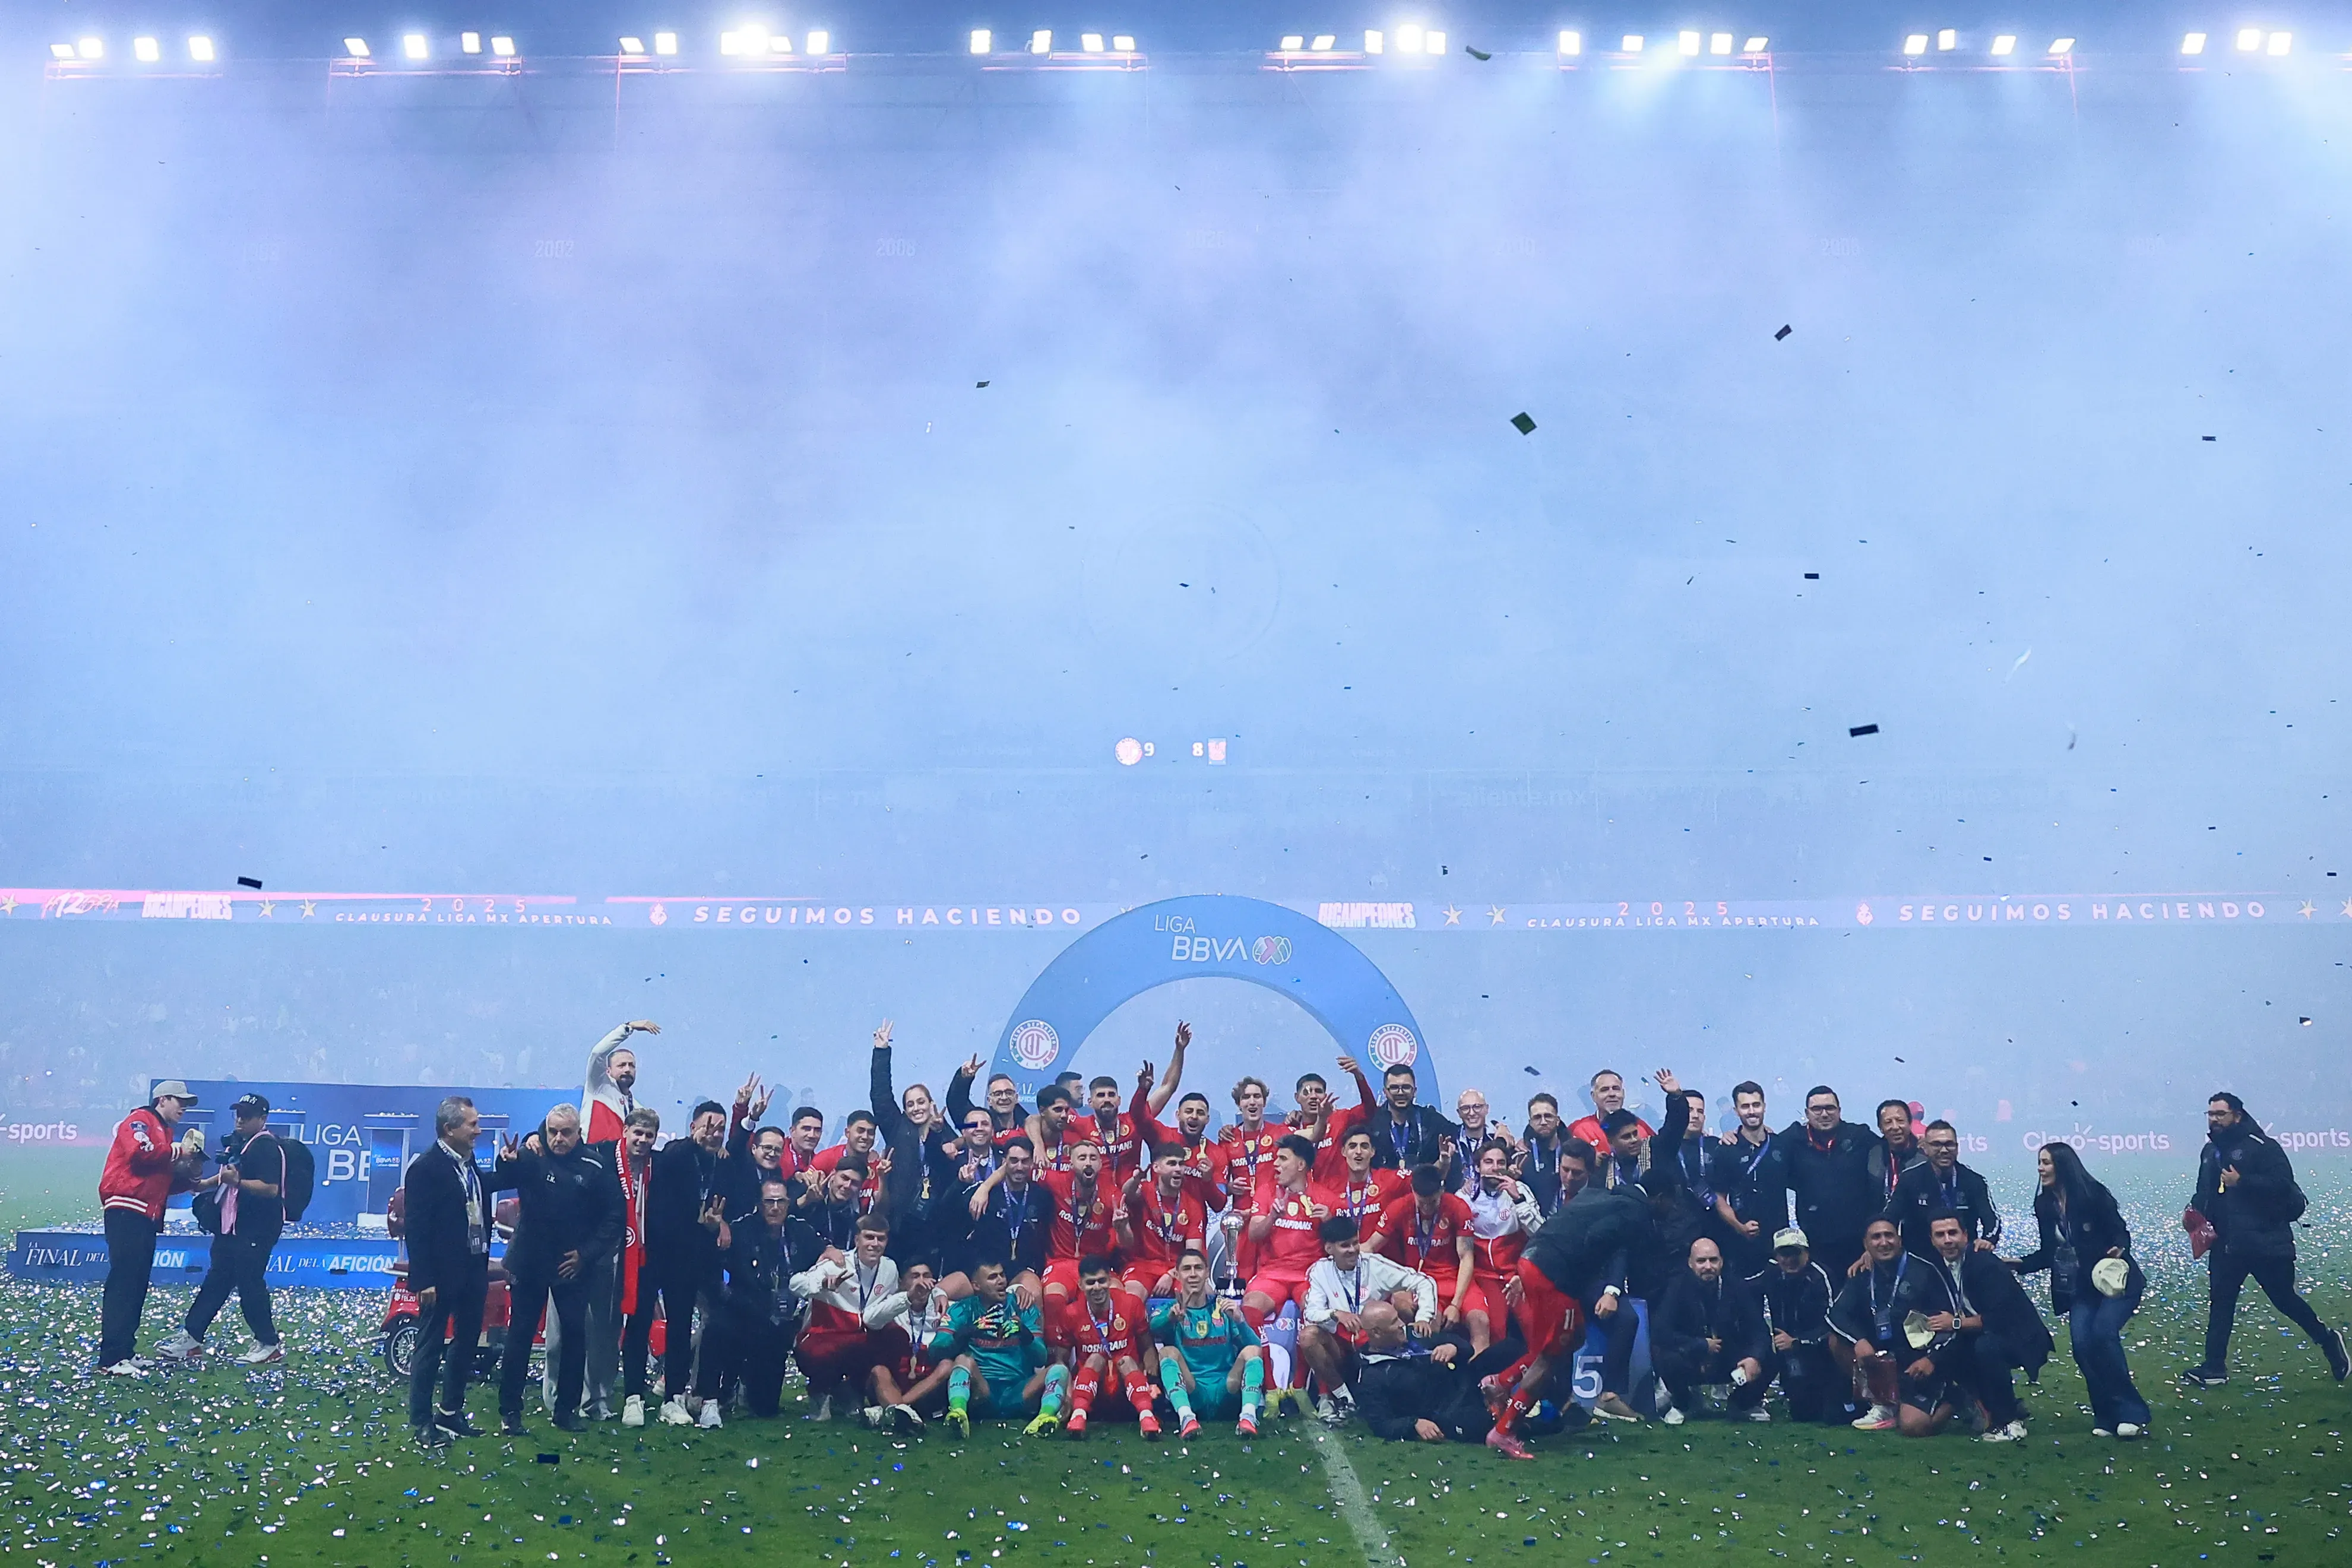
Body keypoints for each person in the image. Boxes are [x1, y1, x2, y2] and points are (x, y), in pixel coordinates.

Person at [1484, 1136, 1642, 1457]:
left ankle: (1501, 1383)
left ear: (1588, 1174)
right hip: (1553, 1274)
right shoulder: (1550, 1189)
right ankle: (1502, 1428)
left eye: (1577, 1173)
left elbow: (1597, 1247)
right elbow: (1564, 1237)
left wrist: (1612, 1289)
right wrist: (1524, 1272)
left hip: (1560, 1273)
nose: (1569, 1178)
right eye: (1565, 1171)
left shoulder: (1596, 1197)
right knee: (1550, 1354)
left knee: (1571, 1339)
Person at [2182, 1092, 2349, 1385]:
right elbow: (2204, 1191)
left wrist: (2242, 1183)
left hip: (2265, 1242)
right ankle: (2214, 1368)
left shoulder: (2263, 1147)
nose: (2214, 1120)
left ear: (2237, 1115)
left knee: (2284, 1300)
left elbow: (2284, 1187)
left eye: (2220, 1114)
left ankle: (2328, 1340)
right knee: (2221, 1303)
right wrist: (2194, 1215)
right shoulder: (2210, 1152)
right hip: (2226, 1243)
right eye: (2210, 1114)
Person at [491, 1104, 621, 1436]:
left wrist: (586, 1255)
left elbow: (614, 1219)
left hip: (571, 1263)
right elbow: (502, 1180)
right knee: (520, 1336)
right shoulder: (531, 1154)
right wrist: (505, 1160)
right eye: (552, 1132)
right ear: (544, 1130)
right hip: (530, 1260)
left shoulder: (596, 1165)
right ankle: (510, 1412)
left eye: (566, 1132)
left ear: (579, 1133)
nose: (558, 1139)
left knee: (576, 1336)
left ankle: (566, 1411)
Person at [2008, 1141, 2150, 1437]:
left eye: (2046, 1162)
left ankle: (2132, 1413)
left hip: (2115, 1284)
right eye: (2039, 1162)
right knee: (2083, 1346)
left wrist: (2119, 1248)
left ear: (2063, 1165)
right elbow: (2050, 1252)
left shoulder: (2092, 1194)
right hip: (2080, 1289)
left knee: (2103, 1334)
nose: (2040, 1168)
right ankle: (2106, 1418)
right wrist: (2018, 1264)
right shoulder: (2044, 1204)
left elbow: (2120, 1232)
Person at [401, 1096, 514, 1447]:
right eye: (472, 1124)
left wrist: (506, 1165)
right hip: (440, 1274)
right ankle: (421, 1420)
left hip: (473, 1267)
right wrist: (424, 1280)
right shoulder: (426, 1168)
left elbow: (485, 1188)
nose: (478, 1130)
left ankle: (450, 1413)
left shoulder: (468, 1163)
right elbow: (417, 1230)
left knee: (465, 1343)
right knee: (430, 1344)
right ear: (449, 1129)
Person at [160, 1092, 288, 1367]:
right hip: (231, 1228)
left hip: (255, 1230)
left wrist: (237, 1181)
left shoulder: (265, 1147)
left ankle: (269, 1343)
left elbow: (271, 1189)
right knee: (216, 1283)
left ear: (263, 1119)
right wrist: (205, 1184)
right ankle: (192, 1337)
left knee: (250, 1285)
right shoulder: (243, 1144)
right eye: (238, 1113)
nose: (240, 1119)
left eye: (248, 1115)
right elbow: (229, 1177)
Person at [632, 1099, 730, 1426]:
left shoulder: (718, 1163)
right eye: (708, 1127)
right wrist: (701, 1140)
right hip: (653, 1253)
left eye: (721, 1129)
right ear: (692, 1127)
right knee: (638, 1322)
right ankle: (633, 1395)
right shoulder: (677, 1153)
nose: (715, 1134)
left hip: (689, 1257)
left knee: (680, 1327)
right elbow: (679, 1151)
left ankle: (673, 1396)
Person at [96, 1080, 204, 1375]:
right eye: (179, 1101)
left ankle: (124, 1353)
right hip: (126, 1209)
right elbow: (141, 1154)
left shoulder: (164, 1132)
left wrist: (190, 1175)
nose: (184, 1108)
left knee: (135, 1285)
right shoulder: (140, 1120)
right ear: (162, 1100)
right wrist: (177, 1152)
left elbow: (161, 1182)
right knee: (124, 1284)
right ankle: (111, 1358)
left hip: (145, 1213)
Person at [1923, 1211, 2051, 1443]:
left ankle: (2009, 1422)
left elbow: (2000, 1318)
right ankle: (1984, 1405)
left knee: (1985, 1346)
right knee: (1945, 1351)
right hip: (1980, 1332)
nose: (1948, 1240)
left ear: (1966, 1236)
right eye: (1940, 1235)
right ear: (1932, 1241)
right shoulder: (1938, 1268)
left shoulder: (1984, 1264)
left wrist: (1955, 1323)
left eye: (1953, 1233)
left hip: (2021, 1337)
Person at [1299, 1215, 1438, 1424]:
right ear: (1329, 1249)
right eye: (1345, 1246)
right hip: (1342, 1345)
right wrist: (1336, 1314)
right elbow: (1311, 1312)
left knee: (1397, 1319)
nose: (1353, 1250)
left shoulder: (1374, 1264)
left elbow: (1423, 1281)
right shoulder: (1320, 1271)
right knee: (1308, 1337)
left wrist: (1424, 1316)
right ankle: (1344, 1399)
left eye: (1355, 1243)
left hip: (1374, 1344)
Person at [1828, 1216, 1956, 1434]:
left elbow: (1950, 1325)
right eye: (1876, 1237)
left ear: (1900, 1240)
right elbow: (1836, 1314)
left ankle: (1957, 1398)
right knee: (1836, 1341)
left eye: (1889, 1236)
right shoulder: (1862, 1273)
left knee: (1913, 1427)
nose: (1884, 1242)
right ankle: (1883, 1403)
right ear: (1866, 1245)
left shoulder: (1924, 1272)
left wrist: (1932, 1359)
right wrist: (1859, 1340)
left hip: (1918, 1361)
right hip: (1883, 1358)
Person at [1351, 1298, 1526, 1444]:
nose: (1401, 1325)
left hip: (1468, 1379)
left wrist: (1453, 1348)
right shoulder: (1371, 1376)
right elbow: (1380, 1423)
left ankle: (1544, 1393)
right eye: (1393, 1323)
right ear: (1376, 1333)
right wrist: (1414, 1424)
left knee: (1511, 1348)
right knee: (1481, 1426)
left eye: (1398, 1318)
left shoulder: (1414, 1333)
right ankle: (1539, 1421)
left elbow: (1467, 1349)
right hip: (1448, 1412)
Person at [790, 1212, 910, 1425]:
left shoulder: (890, 1268)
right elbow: (796, 1284)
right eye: (869, 1237)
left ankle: (853, 1391)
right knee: (827, 1350)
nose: (874, 1244)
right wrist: (821, 1286)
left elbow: (881, 1314)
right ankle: (819, 1390)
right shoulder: (837, 1264)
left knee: (896, 1336)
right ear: (857, 1240)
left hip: (861, 1337)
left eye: (880, 1239)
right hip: (824, 1336)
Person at [927, 1257, 1068, 1437]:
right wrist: (967, 1332)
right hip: (982, 1392)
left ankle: (1045, 1419)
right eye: (993, 1277)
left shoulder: (1022, 1307)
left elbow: (1040, 1358)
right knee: (963, 1360)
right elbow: (935, 1352)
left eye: (1002, 1275)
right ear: (976, 1286)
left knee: (1059, 1369)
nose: (1001, 1281)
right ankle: (958, 1414)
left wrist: (1024, 1335)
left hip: (1019, 1390)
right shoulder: (962, 1310)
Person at [705, 1177, 806, 1418]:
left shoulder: (798, 1230)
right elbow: (711, 1262)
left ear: (788, 1204)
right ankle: (709, 1397)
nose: (775, 1208)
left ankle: (747, 1386)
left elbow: (824, 1248)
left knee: (766, 1409)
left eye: (780, 1202)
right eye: (769, 1202)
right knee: (716, 1328)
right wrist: (714, 1230)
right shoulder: (742, 1230)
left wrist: (829, 1252)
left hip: (776, 1325)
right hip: (742, 1314)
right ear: (759, 1205)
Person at [1652, 1237, 1769, 1424]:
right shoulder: (1676, 1287)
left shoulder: (1738, 1287)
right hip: (1692, 1356)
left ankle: (1742, 1404)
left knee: (1770, 1355)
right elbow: (1661, 1331)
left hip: (1729, 1356)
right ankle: (1684, 1404)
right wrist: (1700, 1345)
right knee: (1663, 1355)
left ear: (1721, 1262)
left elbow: (1759, 1330)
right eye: (1701, 1261)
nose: (1708, 1266)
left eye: (1713, 1260)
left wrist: (1753, 1357)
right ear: (1690, 1264)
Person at [1368, 1164, 1487, 1350]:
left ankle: (1480, 1375)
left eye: (1432, 1202)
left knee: (1481, 1322)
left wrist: (1456, 1305)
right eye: (1421, 1203)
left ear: (1442, 1190)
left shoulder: (1457, 1207)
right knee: (1429, 1325)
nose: (1427, 1208)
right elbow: (1370, 1246)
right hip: (1421, 1279)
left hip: (1456, 1277)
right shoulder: (1400, 1207)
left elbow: (1466, 1257)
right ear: (1413, 1191)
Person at [1151, 1249, 1268, 1437]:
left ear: (1207, 1273)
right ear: (1177, 1274)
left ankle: (1247, 1418)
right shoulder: (1172, 1309)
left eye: (1198, 1268)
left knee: (1252, 1351)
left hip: (1226, 1389)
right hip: (1193, 1390)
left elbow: (1256, 1347)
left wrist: (1240, 1320)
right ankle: (1187, 1419)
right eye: (1187, 1269)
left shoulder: (1224, 1307)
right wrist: (1170, 1319)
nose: (1193, 1274)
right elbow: (1152, 1328)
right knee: (1167, 1352)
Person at [1053, 1254, 1164, 1437]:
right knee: (1096, 1358)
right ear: (1081, 1285)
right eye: (1090, 1283)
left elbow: (1148, 1348)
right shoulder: (1070, 1313)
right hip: (1092, 1392)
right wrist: (1067, 1394)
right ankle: (1078, 1416)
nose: (1097, 1288)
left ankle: (1147, 1417)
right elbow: (1061, 1361)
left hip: (1129, 1390)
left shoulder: (1131, 1304)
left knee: (1126, 1360)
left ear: (1110, 1280)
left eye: (1102, 1281)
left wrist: (1152, 1382)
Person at [1783, 1087, 1879, 1282]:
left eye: (1830, 1108)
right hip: (1815, 1244)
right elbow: (1763, 1144)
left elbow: (1892, 1151)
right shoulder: (1791, 1140)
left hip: (1858, 1244)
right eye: (1817, 1109)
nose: (1824, 1114)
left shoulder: (1861, 1137)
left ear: (1839, 1110)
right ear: (1807, 1113)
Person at [604, 1108, 660, 1425]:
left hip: (646, 1257)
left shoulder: (660, 1165)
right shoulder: (603, 1158)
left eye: (648, 1135)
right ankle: (595, 1395)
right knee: (602, 1327)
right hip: (609, 1254)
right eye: (637, 1133)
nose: (642, 1140)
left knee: (639, 1327)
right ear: (625, 1131)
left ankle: (634, 1396)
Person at [1752, 1227, 1842, 1422]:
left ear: (1807, 1253)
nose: (1790, 1259)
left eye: (1795, 1253)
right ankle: (1746, 1401)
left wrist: (1798, 1342)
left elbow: (1834, 1324)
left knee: (1828, 1415)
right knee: (1802, 1411)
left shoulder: (1820, 1277)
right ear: (1776, 1256)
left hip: (1821, 1353)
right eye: (1784, 1254)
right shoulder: (1772, 1273)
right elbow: (1743, 1290)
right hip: (1788, 1354)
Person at [950, 1139, 1050, 1304]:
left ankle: (1033, 1331)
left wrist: (1035, 1269)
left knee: (1033, 1293)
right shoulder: (984, 1195)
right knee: (945, 1293)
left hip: (1021, 1270)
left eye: (1025, 1161)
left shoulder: (1042, 1197)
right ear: (1004, 1163)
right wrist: (961, 1184)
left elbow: (1044, 1239)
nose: (1019, 1167)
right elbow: (947, 1216)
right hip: (988, 1270)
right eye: (1014, 1161)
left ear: (1032, 1163)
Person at [1887, 1120, 2001, 1259]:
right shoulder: (1909, 1179)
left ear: (1957, 1148)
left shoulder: (1974, 1181)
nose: (1944, 1150)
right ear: (1925, 1149)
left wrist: (1988, 1240)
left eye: (1949, 1144)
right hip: (1920, 1261)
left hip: (1964, 1259)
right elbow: (1889, 1218)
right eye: (1936, 1145)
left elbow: (1992, 1219)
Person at [1709, 1081, 1788, 1279]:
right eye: (1745, 1106)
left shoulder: (1781, 1145)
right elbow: (1718, 1197)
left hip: (1780, 1245)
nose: (1752, 1111)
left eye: (1756, 1105)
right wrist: (1740, 1226)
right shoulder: (1726, 1150)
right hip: (1741, 1247)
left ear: (1764, 1106)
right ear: (1736, 1111)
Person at [865, 1259, 954, 1427]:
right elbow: (870, 1320)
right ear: (902, 1282)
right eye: (915, 1277)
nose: (922, 1281)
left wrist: (940, 1292)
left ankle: (896, 1411)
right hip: (895, 1381)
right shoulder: (892, 1303)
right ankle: (903, 1414)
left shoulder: (943, 1306)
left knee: (948, 1365)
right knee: (879, 1371)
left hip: (927, 1386)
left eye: (927, 1276)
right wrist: (909, 1296)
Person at [1031, 1138, 1118, 1312]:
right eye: (1082, 1158)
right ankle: (1056, 1339)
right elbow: (1017, 1169)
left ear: (1101, 1164)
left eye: (1093, 1158)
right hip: (1060, 1262)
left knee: (1118, 1297)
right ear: (1071, 1163)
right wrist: (985, 1188)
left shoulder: (1113, 1194)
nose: (1088, 1163)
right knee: (1053, 1298)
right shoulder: (1056, 1181)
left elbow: (1128, 1242)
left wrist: (1121, 1226)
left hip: (1096, 1265)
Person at [1118, 1143, 1209, 1301]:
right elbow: (1128, 1193)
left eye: (1181, 1164)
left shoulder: (1193, 1205)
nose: (1178, 1169)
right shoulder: (1144, 1192)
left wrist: (1171, 1274)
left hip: (1177, 1268)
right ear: (1156, 1168)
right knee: (1130, 1299)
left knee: (1202, 1294)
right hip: (1142, 1266)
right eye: (1172, 1163)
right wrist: (1135, 1179)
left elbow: (1193, 1254)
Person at [583, 1020, 659, 1145]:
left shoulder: (638, 1109)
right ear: (608, 1071)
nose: (628, 1069)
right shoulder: (599, 1086)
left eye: (632, 1066)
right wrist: (628, 1027)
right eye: (622, 1065)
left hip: (620, 1162)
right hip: (593, 1159)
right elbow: (598, 1053)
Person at [1369, 1063, 1453, 1171]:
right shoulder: (1373, 1123)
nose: (1400, 1093)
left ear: (1415, 1091)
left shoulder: (1431, 1120)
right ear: (1385, 1092)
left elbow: (1458, 1134)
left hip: (1423, 1185)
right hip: (1384, 1186)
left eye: (1406, 1087)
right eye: (1394, 1088)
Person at [1566, 1069, 1651, 1150]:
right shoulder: (1578, 1129)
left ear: (1623, 1094)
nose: (1612, 1094)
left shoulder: (1639, 1126)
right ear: (1593, 1096)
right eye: (1604, 1090)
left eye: (1616, 1089)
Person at [1518, 1094, 1572, 1217]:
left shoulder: (1573, 1153)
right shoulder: (1522, 1158)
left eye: (1548, 1116)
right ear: (1530, 1123)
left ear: (1557, 1120)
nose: (1543, 1122)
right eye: (1537, 1118)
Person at [1866, 1100, 1925, 1209]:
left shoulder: (1925, 1156)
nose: (1895, 1127)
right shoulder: (1872, 1154)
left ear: (1910, 1123)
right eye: (1888, 1122)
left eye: (1900, 1121)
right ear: (1880, 1128)